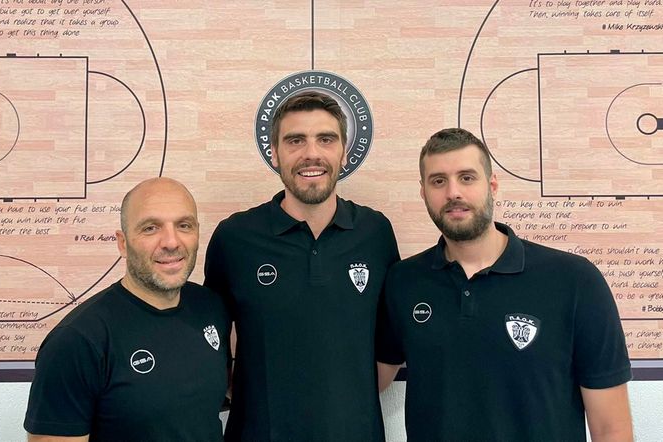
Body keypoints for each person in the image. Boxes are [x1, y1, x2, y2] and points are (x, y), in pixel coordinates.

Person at [376, 128, 633, 441]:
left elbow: (611, 428)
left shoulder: (575, 280)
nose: (453, 192)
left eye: (467, 177)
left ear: (492, 185)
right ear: (423, 192)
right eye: (438, 181)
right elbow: (369, 376)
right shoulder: (404, 282)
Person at [204, 91, 400, 441]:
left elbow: (389, 346)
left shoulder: (376, 233)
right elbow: (210, 343)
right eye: (295, 140)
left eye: (326, 139)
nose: (312, 153)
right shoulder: (234, 238)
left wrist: (343, 401)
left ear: (344, 151)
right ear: (274, 153)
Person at [24, 177, 230, 442]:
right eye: (150, 228)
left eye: (184, 225)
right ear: (123, 243)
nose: (171, 242)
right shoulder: (78, 340)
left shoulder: (211, 308)